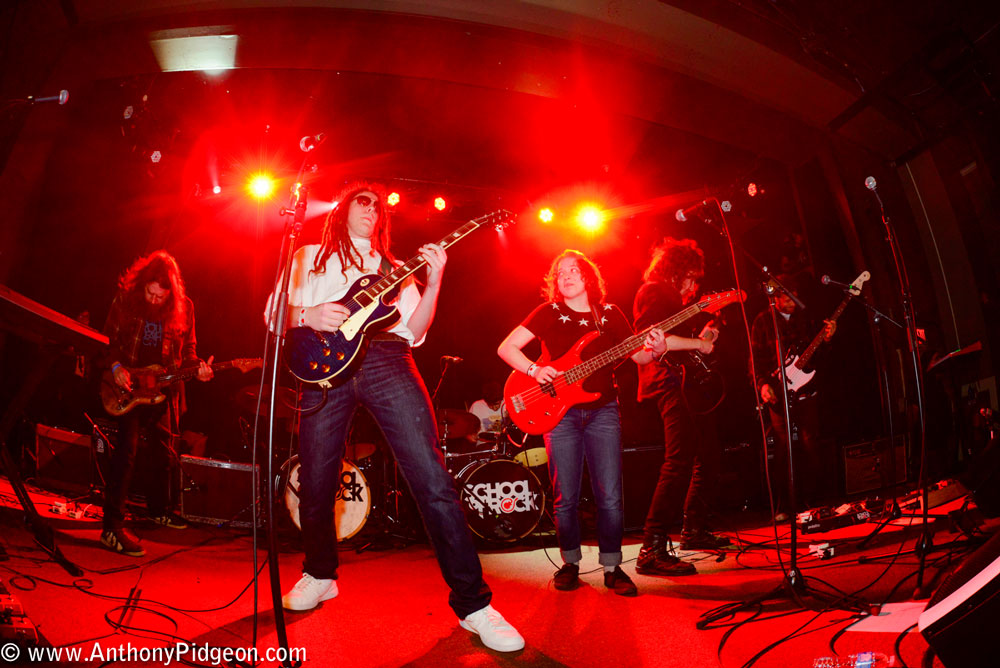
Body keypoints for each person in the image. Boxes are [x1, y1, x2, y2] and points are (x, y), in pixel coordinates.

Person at [268, 181, 523, 653]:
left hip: (388, 358)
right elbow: (272, 316)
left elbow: (417, 330)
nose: (372, 210)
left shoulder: (393, 268)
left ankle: (475, 605)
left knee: (430, 478)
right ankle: (319, 573)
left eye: (378, 207)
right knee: (316, 480)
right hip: (324, 371)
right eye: (363, 202)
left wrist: (437, 278)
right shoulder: (307, 254)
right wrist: (308, 314)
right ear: (343, 210)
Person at [498, 249, 667, 596]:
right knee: (566, 497)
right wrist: (534, 369)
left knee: (610, 495)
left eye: (574, 270)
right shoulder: (549, 312)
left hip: (602, 409)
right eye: (560, 273)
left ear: (588, 276)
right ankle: (570, 562)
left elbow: (640, 355)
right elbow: (506, 347)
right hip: (558, 413)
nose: (566, 276)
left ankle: (612, 566)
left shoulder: (610, 314)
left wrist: (658, 349)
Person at [102, 250, 214, 557]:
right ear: (142, 286)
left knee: (165, 451)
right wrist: (116, 368)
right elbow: (106, 340)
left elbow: (189, 353)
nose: (155, 300)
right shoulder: (125, 299)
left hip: (164, 388)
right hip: (129, 387)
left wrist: (199, 368)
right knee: (126, 453)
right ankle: (111, 527)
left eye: (161, 296)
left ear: (171, 293)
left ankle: (158, 509)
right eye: (150, 294)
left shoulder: (184, 308)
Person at [632, 237, 729, 577]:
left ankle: (694, 530)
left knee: (708, 455)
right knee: (678, 461)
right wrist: (701, 345)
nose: (694, 285)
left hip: (685, 382)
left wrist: (704, 335)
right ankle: (651, 548)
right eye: (693, 277)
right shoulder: (656, 291)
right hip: (669, 383)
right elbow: (653, 340)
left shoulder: (671, 299)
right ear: (683, 271)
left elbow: (681, 341)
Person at [750, 273, 836, 517]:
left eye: (793, 295)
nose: (790, 300)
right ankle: (784, 505)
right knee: (784, 447)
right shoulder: (762, 321)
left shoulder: (806, 320)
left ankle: (814, 501)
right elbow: (755, 359)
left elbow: (820, 359)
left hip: (807, 390)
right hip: (778, 392)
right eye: (785, 295)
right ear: (775, 296)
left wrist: (827, 340)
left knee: (812, 444)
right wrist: (762, 385)